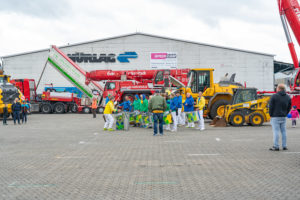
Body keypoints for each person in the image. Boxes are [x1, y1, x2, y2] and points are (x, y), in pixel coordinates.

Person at [269, 84, 291, 151]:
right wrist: (285, 113)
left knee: (276, 131)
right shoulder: (288, 97)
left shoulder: (274, 96)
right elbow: (289, 107)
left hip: (275, 116)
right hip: (283, 117)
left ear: (279, 89)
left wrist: (271, 114)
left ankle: (276, 146)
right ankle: (284, 146)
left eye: (277, 88)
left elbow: (271, 107)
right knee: (284, 131)